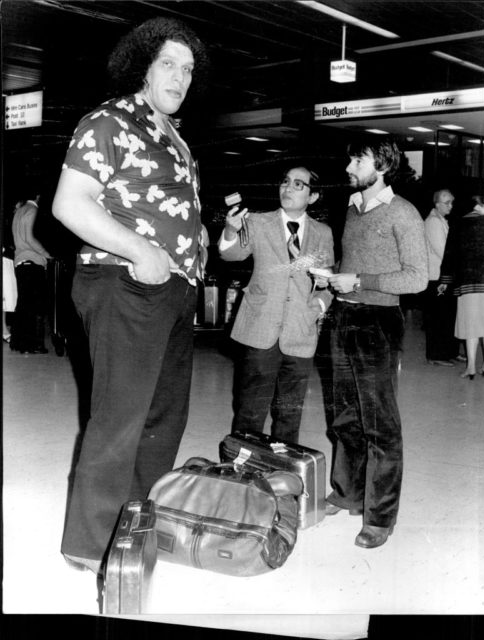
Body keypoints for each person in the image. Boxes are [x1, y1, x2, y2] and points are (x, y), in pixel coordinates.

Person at [51, 17, 209, 574]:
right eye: (168, 62)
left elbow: (176, 217)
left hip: (174, 292)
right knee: (121, 417)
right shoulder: (109, 122)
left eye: (188, 68)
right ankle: (89, 546)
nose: (180, 76)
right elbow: (70, 205)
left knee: (164, 419)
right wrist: (140, 251)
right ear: (142, 64)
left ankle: (132, 529)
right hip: (124, 284)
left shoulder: (177, 139)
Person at [318, 137, 428, 549]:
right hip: (343, 316)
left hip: (377, 320)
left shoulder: (404, 213)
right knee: (344, 416)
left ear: (380, 166)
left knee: (380, 423)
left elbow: (418, 278)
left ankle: (380, 517)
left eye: (357, 159)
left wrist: (362, 282)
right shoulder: (352, 209)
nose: (349, 166)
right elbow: (352, 266)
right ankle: (348, 493)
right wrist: (331, 277)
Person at [219, 166, 335, 444]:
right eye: (285, 182)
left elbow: (327, 280)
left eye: (298, 184)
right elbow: (231, 255)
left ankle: (283, 472)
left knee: (289, 415)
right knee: (250, 412)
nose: (288, 188)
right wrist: (229, 229)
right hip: (260, 329)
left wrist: (317, 307)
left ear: (314, 196)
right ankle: (243, 471)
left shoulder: (323, 233)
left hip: (300, 332)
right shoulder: (259, 223)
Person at [439, 195, 484, 380]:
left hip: (466, 284)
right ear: (479, 204)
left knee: (470, 326)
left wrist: (445, 280)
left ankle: (471, 367)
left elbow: (449, 255)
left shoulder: (459, 223)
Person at [10, 194, 52, 354]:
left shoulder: (19, 211)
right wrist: (47, 254)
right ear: (39, 196)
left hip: (20, 262)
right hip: (33, 262)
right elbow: (31, 238)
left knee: (23, 304)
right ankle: (34, 344)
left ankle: (18, 342)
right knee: (36, 306)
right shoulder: (33, 211)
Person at [423, 189, 460, 366]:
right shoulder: (432, 222)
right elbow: (443, 251)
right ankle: (436, 355)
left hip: (445, 276)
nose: (451, 206)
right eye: (448, 203)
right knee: (438, 317)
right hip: (437, 278)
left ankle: (450, 352)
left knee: (448, 316)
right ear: (437, 204)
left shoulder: (441, 221)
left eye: (452, 202)